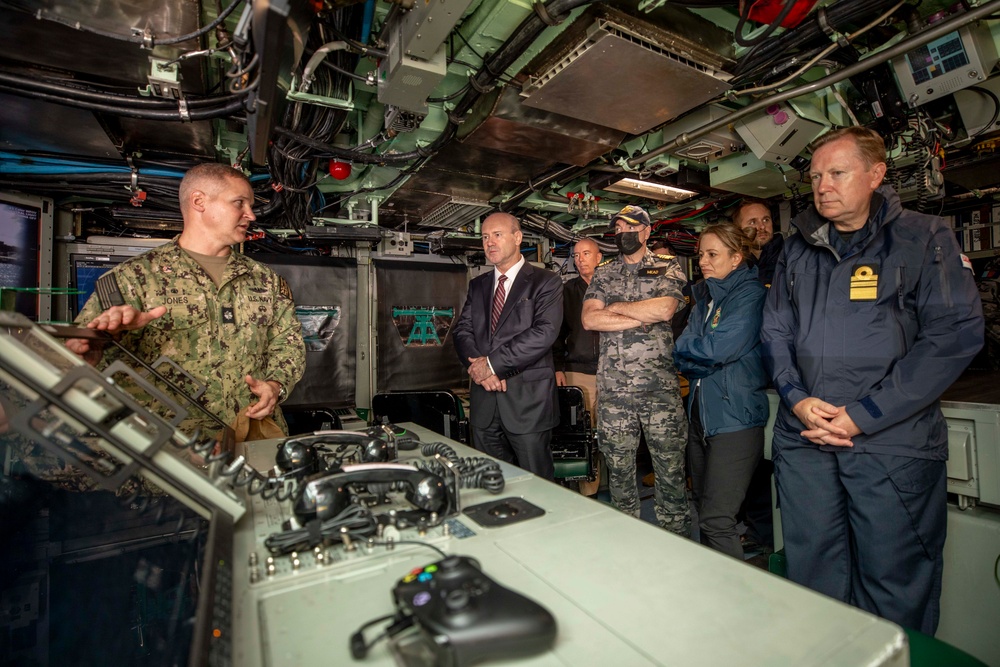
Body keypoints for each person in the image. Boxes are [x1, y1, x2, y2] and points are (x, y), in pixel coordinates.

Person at [760, 126, 984, 634]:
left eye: (837, 173)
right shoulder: (796, 251)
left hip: (890, 444)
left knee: (893, 584)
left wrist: (864, 416)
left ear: (876, 174)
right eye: (816, 176)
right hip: (808, 439)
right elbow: (775, 332)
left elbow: (952, 335)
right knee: (813, 577)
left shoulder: (924, 238)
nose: (823, 186)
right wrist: (795, 399)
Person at [66, 162, 306, 440]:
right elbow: (79, 354)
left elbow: (289, 344)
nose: (250, 215)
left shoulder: (265, 280)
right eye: (239, 203)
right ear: (199, 201)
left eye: (250, 205)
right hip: (171, 448)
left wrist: (275, 385)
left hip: (249, 438)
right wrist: (101, 340)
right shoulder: (133, 278)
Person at [582, 204, 689, 535]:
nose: (622, 233)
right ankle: (628, 542)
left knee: (670, 473)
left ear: (645, 231)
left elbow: (666, 308)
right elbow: (589, 318)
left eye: (629, 227)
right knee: (619, 474)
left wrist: (615, 309)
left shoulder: (668, 268)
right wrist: (642, 314)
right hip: (615, 392)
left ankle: (678, 544)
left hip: (659, 391)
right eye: (617, 228)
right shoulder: (603, 273)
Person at [674, 224, 768, 559]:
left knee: (717, 519)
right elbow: (681, 351)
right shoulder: (704, 299)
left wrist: (700, 355)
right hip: (701, 418)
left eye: (712, 254)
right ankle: (712, 588)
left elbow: (717, 350)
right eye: (701, 253)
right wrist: (701, 356)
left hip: (734, 421)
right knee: (702, 506)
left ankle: (736, 602)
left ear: (736, 258)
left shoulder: (751, 296)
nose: (703, 260)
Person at [453, 212, 563, 479]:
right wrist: (480, 370)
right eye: (485, 237)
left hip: (528, 404)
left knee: (537, 486)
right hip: (484, 404)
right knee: (492, 483)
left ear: (517, 237)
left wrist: (491, 365)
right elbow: (462, 330)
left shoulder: (545, 281)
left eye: (497, 235)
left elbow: (543, 333)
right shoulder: (478, 285)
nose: (489, 242)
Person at [731, 197, 782, 552]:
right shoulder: (738, 269)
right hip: (749, 379)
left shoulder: (790, 258)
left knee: (778, 464)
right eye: (751, 222)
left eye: (765, 220)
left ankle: (772, 536)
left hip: (783, 380)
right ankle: (759, 530)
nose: (760, 227)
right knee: (754, 466)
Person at [553, 237, 603, 494]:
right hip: (577, 372)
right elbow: (556, 333)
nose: (580, 258)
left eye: (586, 253)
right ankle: (588, 493)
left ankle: (618, 489)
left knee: (611, 433)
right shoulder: (566, 291)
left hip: (612, 372)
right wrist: (558, 367)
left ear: (599, 258)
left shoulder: (613, 288)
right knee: (582, 432)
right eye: (576, 255)